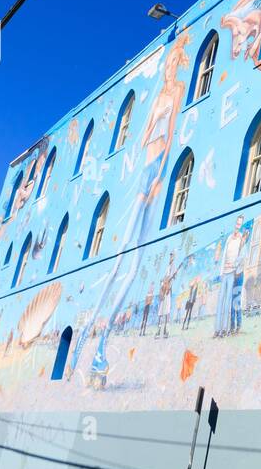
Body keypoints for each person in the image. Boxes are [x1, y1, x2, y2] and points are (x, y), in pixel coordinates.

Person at [67, 40, 189, 381]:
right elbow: (145, 137)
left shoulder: (179, 90)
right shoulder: (157, 98)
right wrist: (139, 173)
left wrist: (158, 178)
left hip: (155, 173)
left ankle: (101, 343)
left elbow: (169, 138)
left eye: (174, 62)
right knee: (121, 257)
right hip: (143, 171)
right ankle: (87, 335)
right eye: (169, 63)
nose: (170, 68)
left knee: (134, 265)